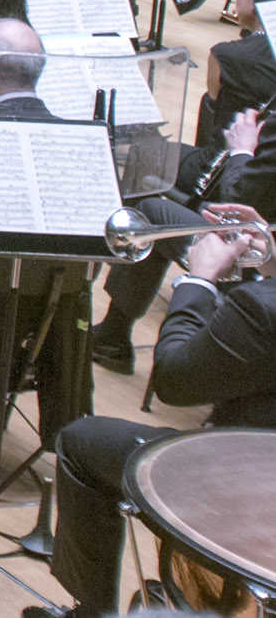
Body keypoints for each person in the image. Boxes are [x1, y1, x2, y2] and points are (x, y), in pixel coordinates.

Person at [42, 203, 276, 618]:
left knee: (81, 442)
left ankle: (91, 611)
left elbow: (173, 379)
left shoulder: (261, 308)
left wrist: (197, 280)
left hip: (252, 489)